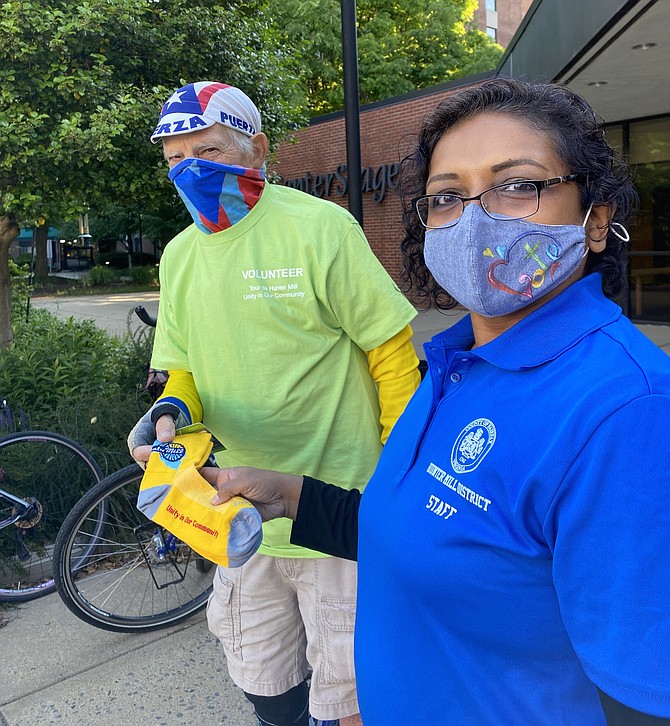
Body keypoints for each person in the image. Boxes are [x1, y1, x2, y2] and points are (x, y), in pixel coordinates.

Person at [201, 78, 670, 725]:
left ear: (595, 221)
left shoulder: (623, 409)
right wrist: (288, 495)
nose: (476, 218)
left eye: (517, 184)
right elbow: (432, 533)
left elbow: (642, 700)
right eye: (448, 197)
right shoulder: (456, 363)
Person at [128, 82, 421, 726]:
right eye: (176, 158)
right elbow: (183, 375)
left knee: (352, 698)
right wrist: (170, 415)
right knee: (264, 681)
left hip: (336, 509)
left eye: (206, 150)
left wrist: (400, 488)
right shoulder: (179, 256)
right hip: (234, 518)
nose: (190, 170)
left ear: (256, 149)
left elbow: (392, 358)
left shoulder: (321, 228)